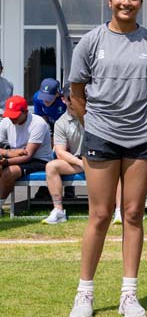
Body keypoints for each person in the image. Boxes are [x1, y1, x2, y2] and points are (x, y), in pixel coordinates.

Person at [67, 0, 147, 317]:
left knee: (133, 215)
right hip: (100, 137)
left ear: (141, 2)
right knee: (98, 215)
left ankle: (129, 294)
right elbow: (76, 93)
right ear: (109, 0)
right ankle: (85, 292)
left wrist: (138, 121)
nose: (127, 2)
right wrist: (95, 124)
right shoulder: (91, 42)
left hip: (142, 138)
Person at [41, 87, 84, 224]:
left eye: (76, 98)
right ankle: (58, 211)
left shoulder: (94, 116)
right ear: (63, 100)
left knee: (115, 160)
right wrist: (81, 163)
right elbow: (60, 152)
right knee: (51, 166)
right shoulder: (61, 123)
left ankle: (119, 210)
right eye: (69, 99)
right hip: (78, 162)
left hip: (99, 160)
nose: (73, 102)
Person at [0, 95, 53, 201]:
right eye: (9, 115)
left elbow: (27, 156)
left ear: (25, 112)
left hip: (40, 160)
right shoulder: (6, 121)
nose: (11, 118)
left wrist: (5, 162)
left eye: (15, 115)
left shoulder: (38, 123)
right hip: (16, 157)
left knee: (9, 172)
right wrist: (10, 153)